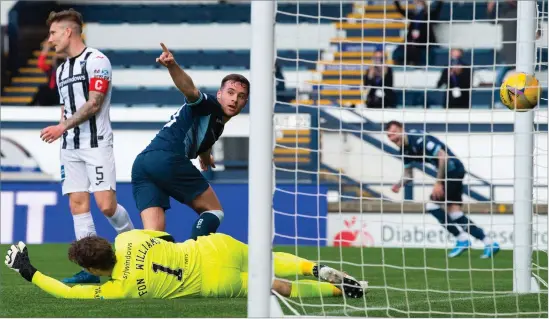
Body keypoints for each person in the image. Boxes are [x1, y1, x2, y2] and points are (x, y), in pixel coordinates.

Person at [39, 9, 135, 284]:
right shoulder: (61, 70)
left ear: (69, 31)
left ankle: (134, 249)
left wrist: (61, 127)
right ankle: (91, 268)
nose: (50, 39)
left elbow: (94, 103)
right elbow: (65, 107)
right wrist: (61, 129)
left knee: (106, 206)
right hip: (70, 147)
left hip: (96, 143)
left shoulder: (97, 61)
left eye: (54, 33)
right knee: (78, 205)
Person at [4, 230, 368, 299]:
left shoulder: (119, 289)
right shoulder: (127, 239)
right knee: (269, 259)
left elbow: (67, 293)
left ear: (96, 269)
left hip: (211, 282)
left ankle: (337, 290)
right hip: (212, 248)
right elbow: (165, 239)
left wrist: (29, 270)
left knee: (277, 287)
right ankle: (313, 267)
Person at [131, 43, 248, 240]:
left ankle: (152, 269)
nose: (234, 99)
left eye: (241, 96)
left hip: (143, 164)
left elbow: (205, 134)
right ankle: (194, 255)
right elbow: (190, 91)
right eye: (230, 93)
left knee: (154, 237)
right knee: (214, 211)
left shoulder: (217, 123)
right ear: (219, 94)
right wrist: (172, 66)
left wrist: (205, 154)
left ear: (245, 103)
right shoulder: (209, 105)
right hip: (168, 159)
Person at [385, 120, 500, 258]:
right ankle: (489, 242)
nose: (393, 138)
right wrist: (399, 185)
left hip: (452, 170)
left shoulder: (418, 139)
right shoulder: (404, 150)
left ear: (402, 129)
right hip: (452, 172)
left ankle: (462, 239)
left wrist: (439, 183)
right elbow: (408, 175)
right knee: (454, 213)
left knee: (432, 206)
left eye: (394, 133)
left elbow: (443, 156)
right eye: (389, 136)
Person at [29, 40, 66, 106]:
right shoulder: (51, 69)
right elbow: (40, 64)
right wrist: (45, 49)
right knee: (42, 89)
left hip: (62, 93)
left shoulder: (67, 68)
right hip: (52, 93)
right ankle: (30, 107)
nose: (54, 59)